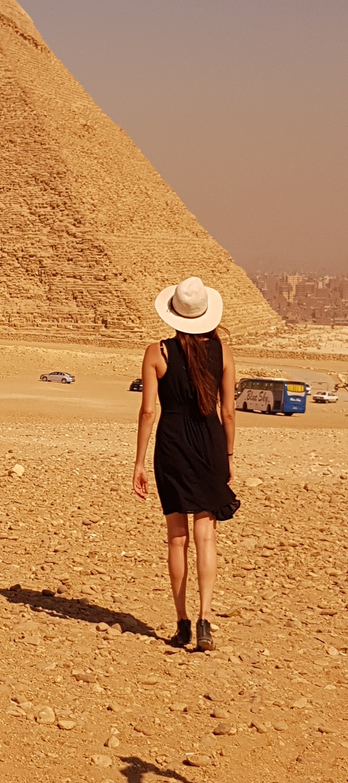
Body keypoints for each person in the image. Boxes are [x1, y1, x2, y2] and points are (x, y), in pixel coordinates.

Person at [132, 276, 240, 651]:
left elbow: (148, 411)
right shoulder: (223, 352)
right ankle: (206, 620)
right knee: (205, 535)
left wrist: (139, 463)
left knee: (176, 538)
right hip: (209, 444)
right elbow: (228, 411)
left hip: (172, 445)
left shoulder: (155, 352)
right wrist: (227, 456)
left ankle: (181, 625)